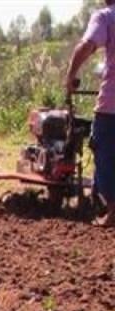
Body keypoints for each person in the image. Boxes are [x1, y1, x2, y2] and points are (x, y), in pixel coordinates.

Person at [67, 0, 115, 226]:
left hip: (111, 106)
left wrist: (70, 77)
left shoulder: (106, 17)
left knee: (103, 153)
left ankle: (112, 211)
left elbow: (86, 46)